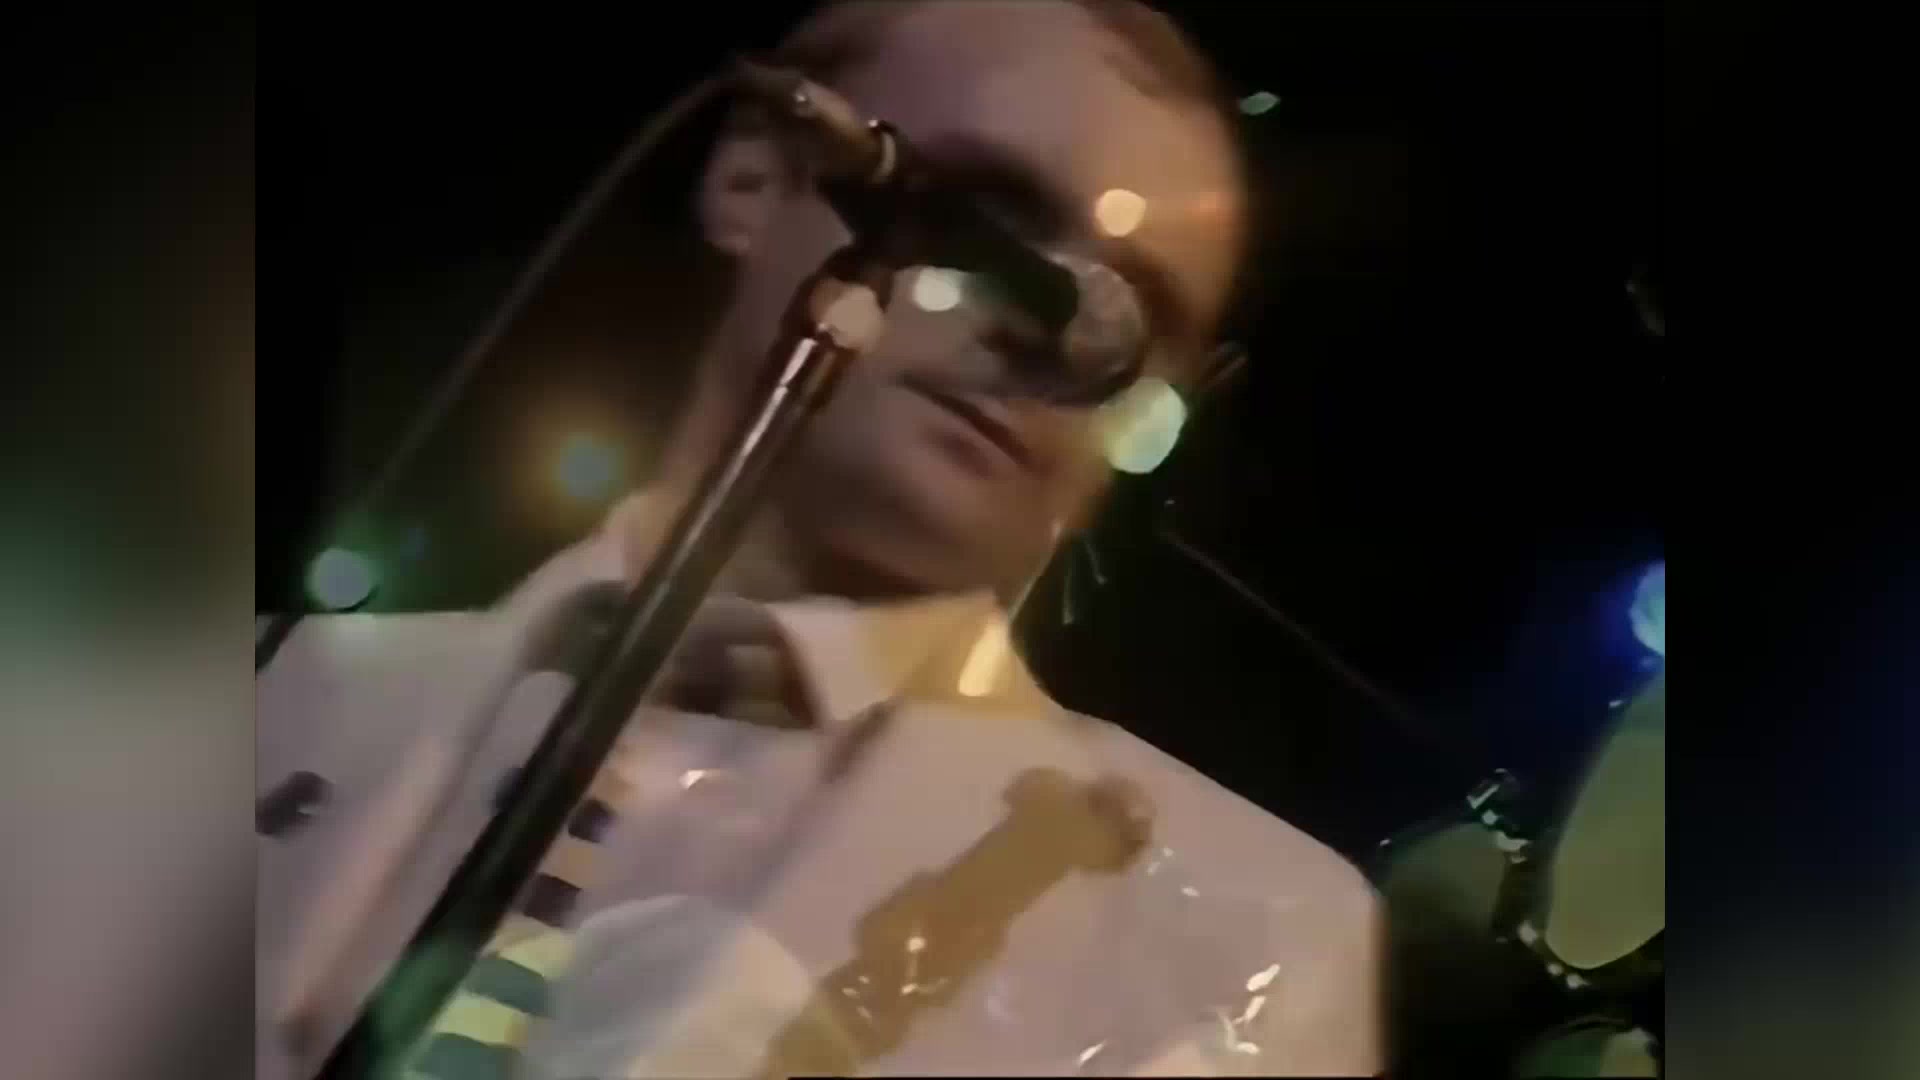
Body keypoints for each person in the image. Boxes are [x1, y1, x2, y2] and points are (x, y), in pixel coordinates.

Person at [255, 2, 1384, 1076]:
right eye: (988, 211)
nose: (1059, 330)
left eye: (1139, 315)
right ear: (753, 174)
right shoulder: (257, 700)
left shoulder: (1241, 936)